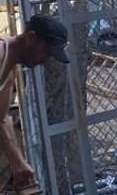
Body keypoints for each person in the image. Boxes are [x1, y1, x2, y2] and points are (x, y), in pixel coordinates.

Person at [0, 15, 70, 190]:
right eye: (47, 51)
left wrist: (19, 164)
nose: (46, 60)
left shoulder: (10, 68)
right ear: (31, 37)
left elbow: (1, 117)